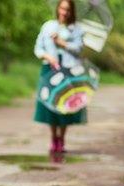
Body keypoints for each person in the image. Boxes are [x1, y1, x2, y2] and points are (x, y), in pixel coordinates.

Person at [33, 0, 86, 153]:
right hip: (50, 69)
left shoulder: (77, 29)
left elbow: (79, 49)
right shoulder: (48, 26)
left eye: (68, 10)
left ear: (72, 12)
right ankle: (53, 138)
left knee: (65, 104)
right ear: (58, 9)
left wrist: (62, 43)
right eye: (62, 8)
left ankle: (62, 138)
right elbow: (38, 47)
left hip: (68, 69)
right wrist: (48, 57)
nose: (64, 12)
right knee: (50, 104)